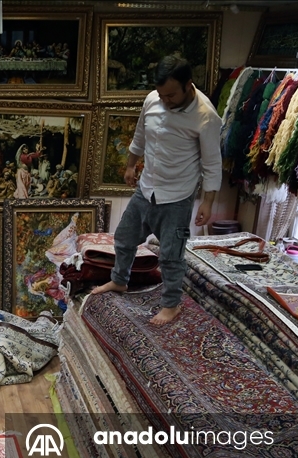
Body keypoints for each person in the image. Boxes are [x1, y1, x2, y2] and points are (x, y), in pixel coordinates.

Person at [91, 56, 222, 326]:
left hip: (177, 196)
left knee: (171, 255)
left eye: (171, 95)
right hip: (146, 188)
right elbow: (140, 136)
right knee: (124, 238)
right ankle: (119, 280)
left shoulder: (206, 116)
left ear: (188, 85)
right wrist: (131, 165)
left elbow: (212, 163)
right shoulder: (153, 99)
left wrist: (208, 202)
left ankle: (171, 304)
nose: (165, 100)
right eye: (161, 95)